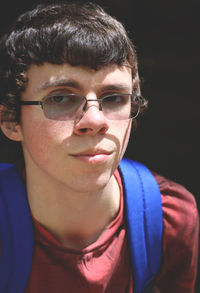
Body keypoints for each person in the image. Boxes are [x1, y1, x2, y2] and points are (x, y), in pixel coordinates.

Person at [0, 2, 198, 292]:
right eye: (60, 98)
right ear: (10, 120)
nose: (94, 120)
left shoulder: (170, 219)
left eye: (114, 97)